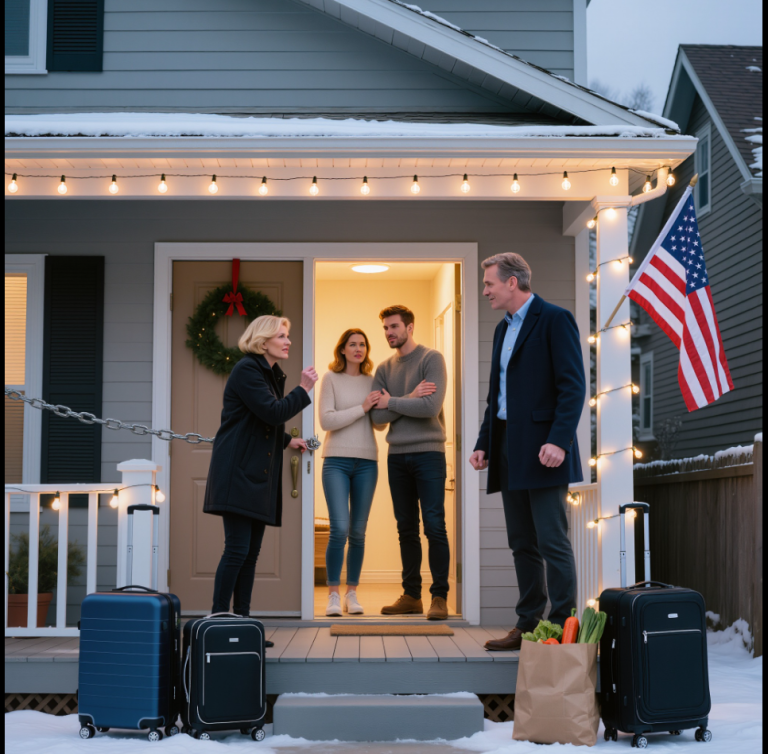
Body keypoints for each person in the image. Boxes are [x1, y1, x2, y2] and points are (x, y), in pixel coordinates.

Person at [469, 253, 585, 650]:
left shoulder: (554, 319)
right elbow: (495, 397)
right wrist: (484, 444)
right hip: (506, 447)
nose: (485, 290)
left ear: (512, 283)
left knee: (552, 539)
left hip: (545, 450)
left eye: (489, 284)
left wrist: (558, 440)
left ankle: (560, 627)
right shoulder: (503, 330)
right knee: (522, 542)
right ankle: (528, 624)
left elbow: (572, 387)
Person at [204, 315, 317, 646]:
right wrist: (304, 389)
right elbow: (272, 412)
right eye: (282, 335)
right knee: (237, 549)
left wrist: (287, 441)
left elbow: (259, 420)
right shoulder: (247, 369)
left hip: (255, 475)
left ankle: (242, 623)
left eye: (288, 335)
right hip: (238, 473)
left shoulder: (267, 373)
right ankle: (219, 622)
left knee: (250, 553)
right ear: (263, 340)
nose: (288, 341)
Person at [370, 305, 450, 621]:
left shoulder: (432, 359)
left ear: (410, 327)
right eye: (386, 328)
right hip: (397, 456)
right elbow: (377, 418)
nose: (389, 333)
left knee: (434, 525)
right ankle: (412, 595)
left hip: (430, 453)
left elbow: (430, 407)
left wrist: (392, 401)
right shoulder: (383, 368)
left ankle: (440, 596)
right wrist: (409, 397)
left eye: (394, 327)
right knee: (406, 528)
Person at [318, 329, 384, 617]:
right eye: (352, 344)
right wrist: (363, 407)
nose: (358, 348)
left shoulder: (374, 382)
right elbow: (326, 420)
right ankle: (333, 595)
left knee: (358, 532)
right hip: (336, 462)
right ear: (342, 349)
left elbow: (380, 426)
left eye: (363, 344)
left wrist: (384, 403)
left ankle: (352, 594)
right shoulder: (331, 379)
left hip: (367, 462)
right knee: (340, 529)